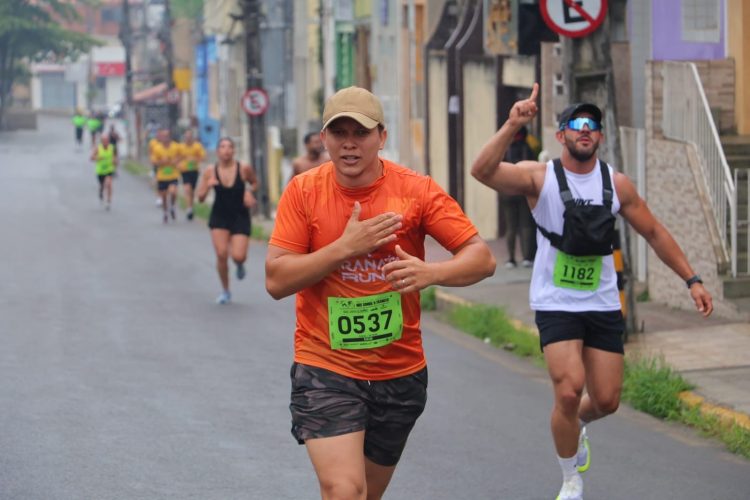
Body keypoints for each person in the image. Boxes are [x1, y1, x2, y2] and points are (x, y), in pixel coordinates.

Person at [470, 85, 713, 500]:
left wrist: (693, 280)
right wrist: (512, 125)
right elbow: (482, 171)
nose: (585, 129)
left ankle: (576, 425)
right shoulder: (540, 177)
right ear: (561, 134)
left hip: (601, 302)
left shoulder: (616, 185)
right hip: (555, 301)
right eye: (576, 123)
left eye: (592, 124)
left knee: (606, 400)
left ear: (600, 136)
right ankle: (570, 479)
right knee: (568, 390)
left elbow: (655, 233)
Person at [265, 86, 496, 500]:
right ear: (324, 138)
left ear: (382, 137)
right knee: (344, 490)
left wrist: (431, 273)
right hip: (325, 367)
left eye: (361, 132)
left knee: (366, 495)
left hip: (399, 373)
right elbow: (277, 280)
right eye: (339, 133)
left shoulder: (415, 191)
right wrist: (344, 248)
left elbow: (481, 258)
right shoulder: (304, 191)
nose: (350, 143)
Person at [196, 137, 258, 304]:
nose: (226, 150)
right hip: (220, 216)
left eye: (230, 147)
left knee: (238, 256)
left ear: (234, 151)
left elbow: (254, 183)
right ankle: (225, 290)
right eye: (223, 147)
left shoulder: (243, 168)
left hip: (240, 215)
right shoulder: (210, 171)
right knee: (221, 254)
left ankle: (239, 264)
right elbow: (200, 198)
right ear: (218, 151)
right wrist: (208, 186)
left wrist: (249, 192)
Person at [501, 125, 536, 268]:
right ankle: (527, 257)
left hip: (507, 192)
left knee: (511, 227)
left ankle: (511, 259)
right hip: (523, 191)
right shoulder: (527, 148)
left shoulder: (505, 149)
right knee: (526, 225)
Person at [150, 128, 181, 223]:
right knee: (163, 196)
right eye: (163, 136)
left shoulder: (176, 146)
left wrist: (176, 161)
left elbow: (181, 156)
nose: (165, 138)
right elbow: (154, 161)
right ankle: (165, 212)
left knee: (173, 192)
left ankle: (172, 206)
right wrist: (162, 162)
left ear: (170, 136)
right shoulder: (157, 148)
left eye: (167, 136)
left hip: (173, 175)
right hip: (162, 176)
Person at [178, 129, 206, 220]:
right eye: (186, 137)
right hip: (184, 170)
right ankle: (189, 209)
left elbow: (203, 157)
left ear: (192, 137)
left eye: (190, 136)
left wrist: (194, 159)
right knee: (187, 189)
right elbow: (176, 157)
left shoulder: (197, 146)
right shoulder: (180, 147)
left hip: (194, 170)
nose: (188, 138)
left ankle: (191, 206)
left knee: (192, 190)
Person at [91, 133, 117, 210]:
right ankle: (101, 193)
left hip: (109, 169)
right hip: (100, 171)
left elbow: (115, 158)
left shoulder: (112, 148)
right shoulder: (98, 148)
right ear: (102, 141)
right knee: (102, 186)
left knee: (109, 184)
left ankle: (108, 201)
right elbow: (91, 157)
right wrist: (97, 158)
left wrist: (114, 161)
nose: (106, 142)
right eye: (104, 140)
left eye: (107, 140)